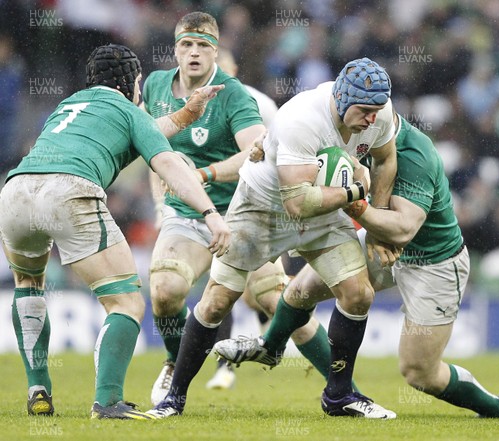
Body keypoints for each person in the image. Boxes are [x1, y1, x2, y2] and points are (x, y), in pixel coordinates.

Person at [218, 109, 499, 418]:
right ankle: (278, 352)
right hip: (380, 242)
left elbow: (404, 229)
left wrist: (351, 201)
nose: (359, 124)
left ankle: (494, 407)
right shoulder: (353, 130)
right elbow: (298, 138)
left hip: (432, 260)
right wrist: (265, 144)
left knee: (420, 373)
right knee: (300, 290)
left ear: (381, 122)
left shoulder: (416, 154)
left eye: (368, 117)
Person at [148, 57, 399, 420]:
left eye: (377, 110)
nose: (373, 119)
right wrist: (357, 191)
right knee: (217, 302)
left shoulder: (381, 111)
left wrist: (376, 224)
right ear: (342, 98)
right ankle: (175, 397)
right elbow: (297, 203)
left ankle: (339, 396)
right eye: (365, 110)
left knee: (358, 294)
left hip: (323, 210)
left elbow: (386, 159)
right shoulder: (302, 118)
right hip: (262, 208)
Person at [0, 43, 229, 420]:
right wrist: (210, 212)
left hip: (16, 189)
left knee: (28, 285)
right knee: (125, 301)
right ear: (131, 83)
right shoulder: (127, 109)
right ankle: (107, 402)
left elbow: (133, 135)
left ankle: (38, 388)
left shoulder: (69, 106)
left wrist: (187, 113)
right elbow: (166, 160)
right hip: (69, 190)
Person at [144, 11, 342, 402]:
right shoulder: (154, 86)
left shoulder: (236, 95)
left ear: (216, 52)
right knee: (165, 292)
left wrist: (205, 175)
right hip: (187, 217)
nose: (195, 53)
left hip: (240, 218)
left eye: (204, 46)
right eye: (187, 45)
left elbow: (257, 153)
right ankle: (173, 361)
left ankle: (344, 389)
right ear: (176, 50)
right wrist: (160, 203)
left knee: (285, 305)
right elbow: (151, 147)